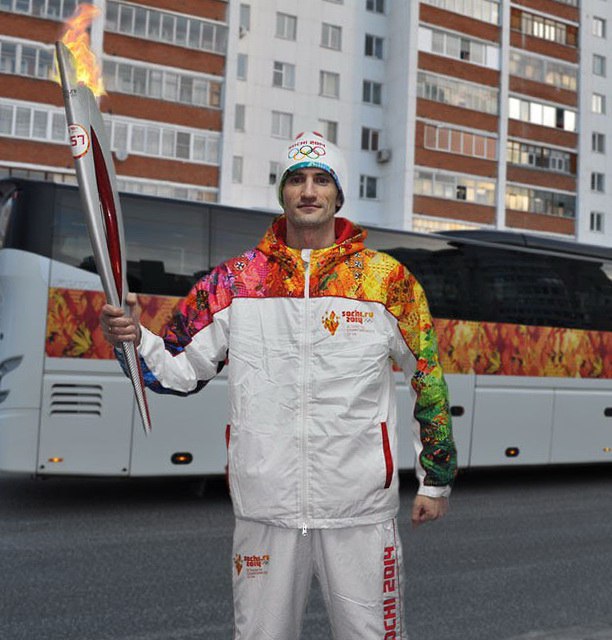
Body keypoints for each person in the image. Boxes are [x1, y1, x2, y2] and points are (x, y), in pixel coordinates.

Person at [100, 131, 457, 639]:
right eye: (296, 180)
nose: (308, 191)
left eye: (320, 180)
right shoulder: (234, 282)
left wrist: (435, 478)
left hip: (358, 510)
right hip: (266, 507)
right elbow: (176, 370)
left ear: (338, 195)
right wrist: (133, 339)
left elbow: (429, 380)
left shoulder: (386, 281)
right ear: (282, 193)